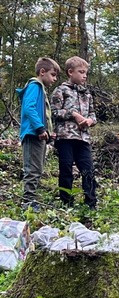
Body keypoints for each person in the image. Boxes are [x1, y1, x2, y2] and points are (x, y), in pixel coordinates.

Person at [51, 56, 98, 208]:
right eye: (81, 72)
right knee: (66, 168)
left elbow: (93, 115)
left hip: (83, 138)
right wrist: (73, 114)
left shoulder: (87, 94)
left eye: (86, 73)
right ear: (70, 72)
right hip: (65, 137)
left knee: (88, 170)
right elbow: (54, 112)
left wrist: (90, 121)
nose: (84, 75)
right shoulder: (60, 90)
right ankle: (66, 203)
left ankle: (90, 203)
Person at [17, 57, 61, 211]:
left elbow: (43, 113)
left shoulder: (40, 88)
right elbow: (29, 108)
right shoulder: (35, 86)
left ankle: (32, 199)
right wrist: (40, 129)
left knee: (38, 168)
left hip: (39, 134)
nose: (55, 79)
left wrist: (48, 133)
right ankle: (28, 201)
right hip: (32, 134)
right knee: (33, 169)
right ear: (42, 72)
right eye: (53, 74)